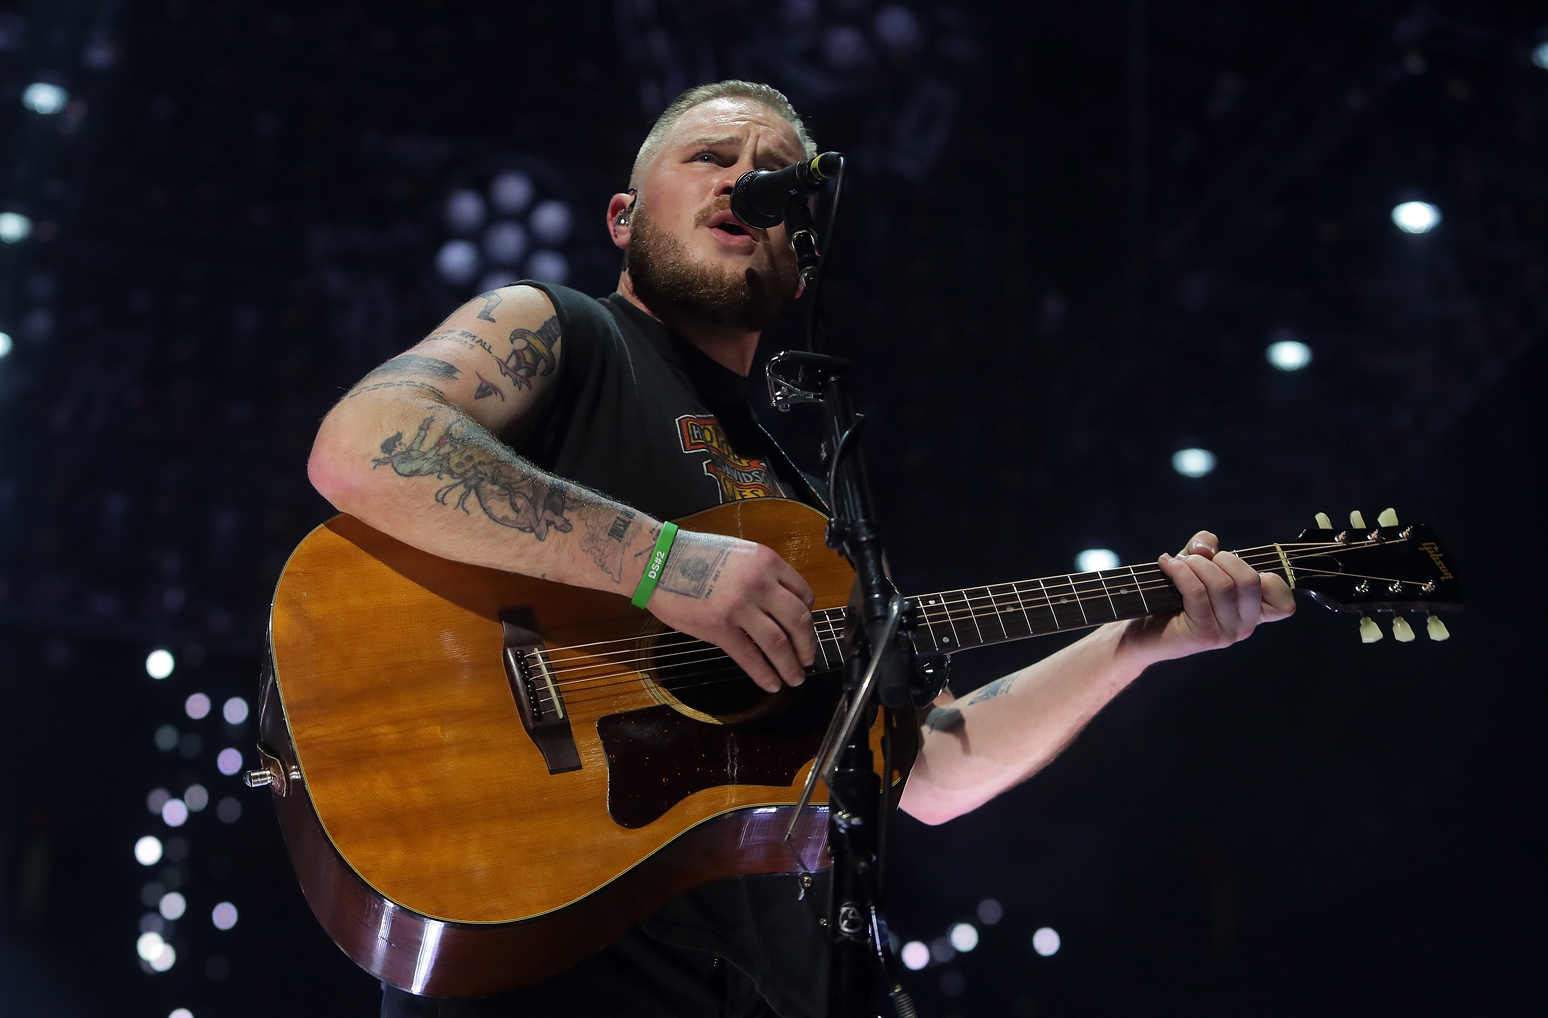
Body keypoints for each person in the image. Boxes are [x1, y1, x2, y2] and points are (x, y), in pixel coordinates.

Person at [308, 80, 1295, 1018]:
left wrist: (1134, 638)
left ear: (800, 257)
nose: (745, 180)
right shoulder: (557, 333)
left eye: (777, 174)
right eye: (710, 156)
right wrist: (658, 562)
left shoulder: (815, 515)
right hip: (543, 967)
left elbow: (935, 771)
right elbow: (361, 446)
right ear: (622, 218)